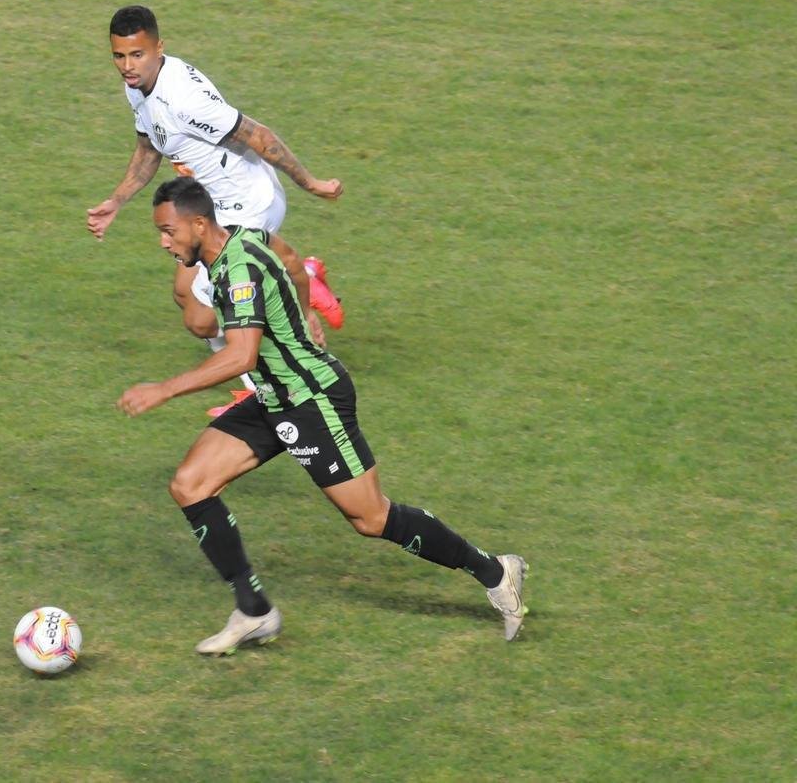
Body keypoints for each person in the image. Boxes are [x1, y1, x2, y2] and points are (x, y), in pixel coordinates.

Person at [117, 178, 529, 654]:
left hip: (312, 399)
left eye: (169, 232)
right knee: (190, 484)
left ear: (199, 223)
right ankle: (254, 612)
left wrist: (164, 389)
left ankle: (496, 571)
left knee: (371, 519)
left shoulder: (238, 272)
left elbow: (240, 358)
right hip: (274, 398)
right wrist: (305, 310)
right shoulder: (250, 236)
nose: (164, 242)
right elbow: (292, 260)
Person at [88, 5, 345, 414]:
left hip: (248, 203)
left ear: (159, 49)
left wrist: (310, 183)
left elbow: (258, 136)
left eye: (136, 55)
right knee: (182, 292)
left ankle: (263, 389)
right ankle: (299, 273)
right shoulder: (138, 86)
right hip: (212, 208)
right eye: (119, 56)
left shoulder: (186, 100)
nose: (127, 65)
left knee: (203, 320)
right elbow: (148, 145)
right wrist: (116, 201)